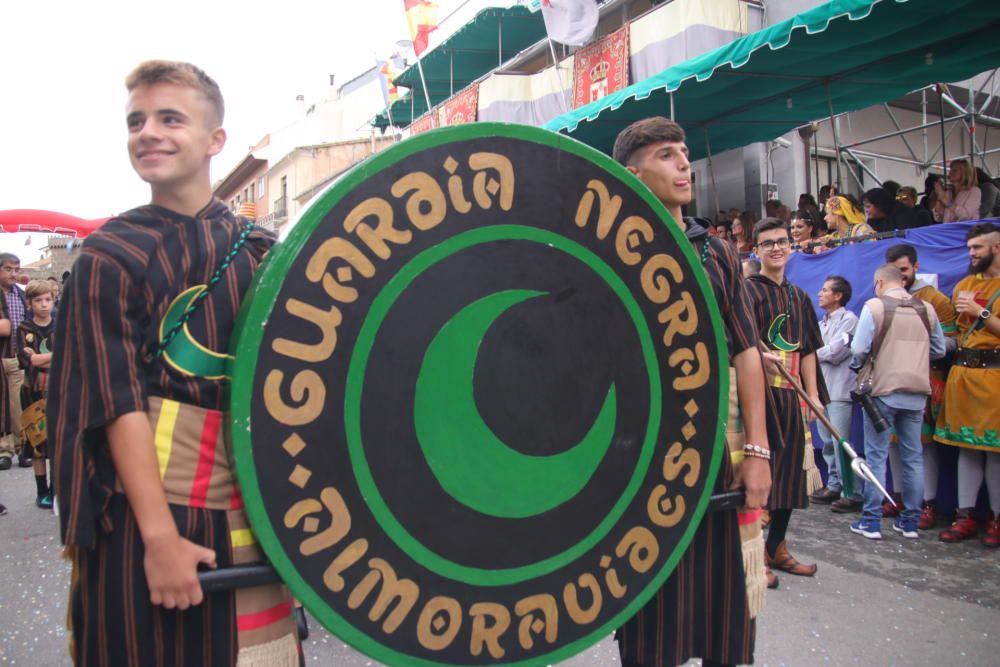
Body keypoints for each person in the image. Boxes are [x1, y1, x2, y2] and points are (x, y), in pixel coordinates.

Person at [49, 60, 300, 665]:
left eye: (170, 118)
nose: (148, 133)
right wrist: (159, 540)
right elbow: (115, 403)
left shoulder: (268, 254)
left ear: (215, 140)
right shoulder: (107, 258)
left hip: (258, 510)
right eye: (137, 121)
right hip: (148, 517)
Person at [613, 116, 772, 667]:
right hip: (638, 467)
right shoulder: (607, 251)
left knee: (728, 623)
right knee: (650, 630)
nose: (683, 163)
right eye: (665, 155)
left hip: (719, 460)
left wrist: (757, 450)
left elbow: (746, 351)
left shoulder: (718, 253)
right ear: (632, 175)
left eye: (683, 152)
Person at [745, 218, 827, 578]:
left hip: (792, 394)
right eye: (767, 243)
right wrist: (760, 357)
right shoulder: (745, 291)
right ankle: (753, 555)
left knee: (791, 473)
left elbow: (808, 348)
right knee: (763, 472)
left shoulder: (800, 296)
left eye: (782, 241)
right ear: (757, 250)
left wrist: (812, 395)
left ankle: (776, 546)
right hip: (759, 393)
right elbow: (740, 343)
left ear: (791, 247)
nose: (776, 248)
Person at [848, 265, 945, 540]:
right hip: (916, 391)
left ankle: (871, 521)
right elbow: (938, 349)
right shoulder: (926, 308)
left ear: (879, 281)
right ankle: (911, 522)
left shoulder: (875, 306)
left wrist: (860, 365)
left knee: (876, 456)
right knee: (913, 456)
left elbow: (858, 349)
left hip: (882, 390)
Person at [934, 222, 1000, 548]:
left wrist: (981, 311)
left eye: (978, 248)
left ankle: (996, 521)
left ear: (996, 248)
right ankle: (965, 515)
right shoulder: (963, 285)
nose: (972, 254)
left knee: (995, 451)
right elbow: (957, 332)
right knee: (967, 449)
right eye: (970, 248)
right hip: (963, 376)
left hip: (995, 378)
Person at [883, 244, 957, 528]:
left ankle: (928, 503)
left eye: (903, 269)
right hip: (890, 379)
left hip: (925, 378)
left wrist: (914, 346)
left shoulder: (934, 299)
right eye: (894, 271)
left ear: (915, 266)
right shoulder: (884, 297)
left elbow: (951, 343)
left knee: (921, 446)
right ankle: (898, 498)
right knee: (893, 444)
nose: (899, 276)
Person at [810, 276, 864, 512]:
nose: (820, 294)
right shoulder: (821, 324)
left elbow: (835, 352)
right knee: (827, 443)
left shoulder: (850, 320)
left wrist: (810, 354)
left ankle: (852, 492)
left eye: (825, 290)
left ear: (838, 296)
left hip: (840, 390)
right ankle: (834, 485)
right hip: (823, 390)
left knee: (841, 442)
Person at [17, 280, 56, 508]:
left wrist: (42, 357)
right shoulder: (25, 329)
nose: (44, 305)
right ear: (30, 303)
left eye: (48, 300)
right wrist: (52, 355)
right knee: (38, 443)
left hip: (58, 390)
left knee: (58, 443)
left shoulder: (60, 326)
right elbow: (28, 360)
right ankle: (42, 491)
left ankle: (56, 490)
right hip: (33, 391)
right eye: (38, 300)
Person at [0, 252, 29, 471]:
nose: (13, 274)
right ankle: (4, 450)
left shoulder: (20, 295)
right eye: (8, 269)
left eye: (17, 270)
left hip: (17, 357)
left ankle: (21, 447)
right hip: (1, 356)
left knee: (17, 406)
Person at [934, 158, 982, 223]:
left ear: (965, 173)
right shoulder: (949, 192)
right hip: (948, 231)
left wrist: (947, 202)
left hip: (965, 231)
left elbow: (966, 216)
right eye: (950, 170)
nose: (950, 172)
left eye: (955, 170)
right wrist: (939, 196)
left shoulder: (974, 191)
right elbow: (938, 218)